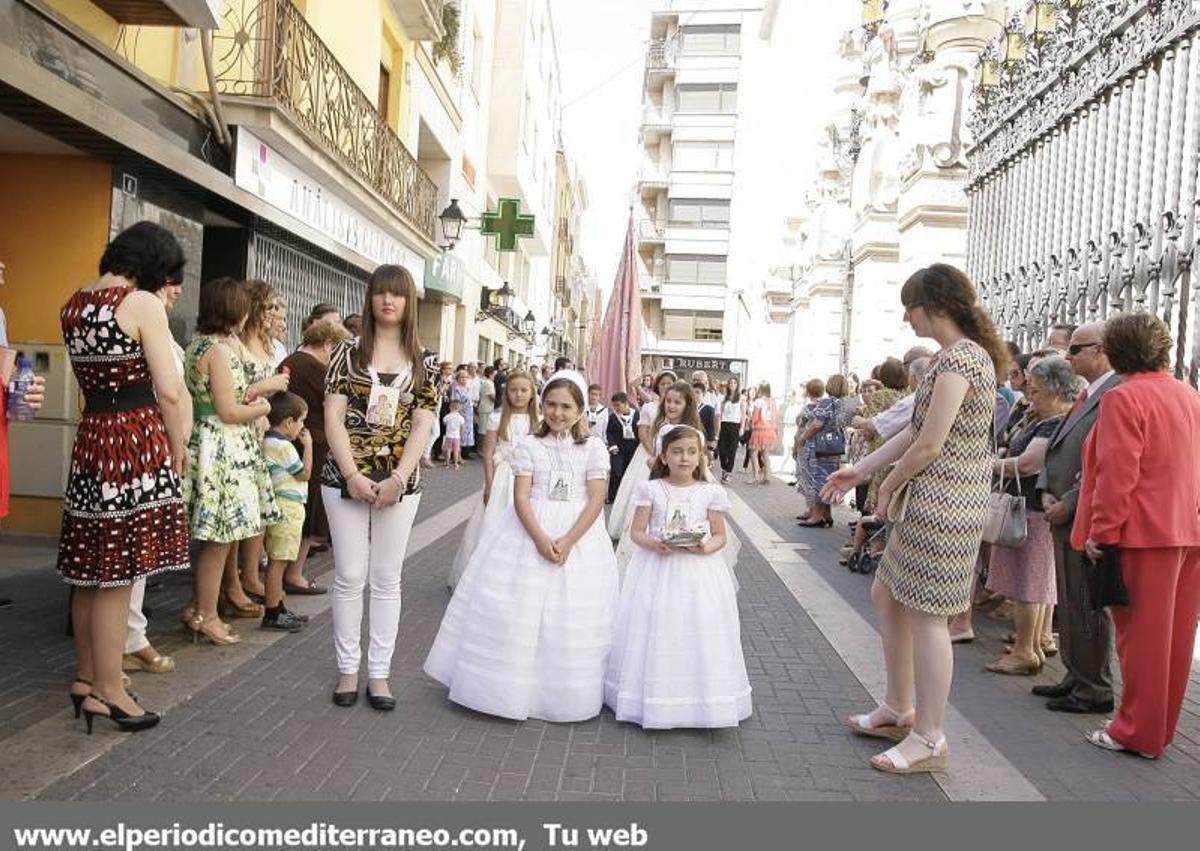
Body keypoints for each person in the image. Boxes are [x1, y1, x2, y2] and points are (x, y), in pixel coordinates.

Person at [824, 263, 1006, 774]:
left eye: (911, 305)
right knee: (888, 594)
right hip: (937, 503)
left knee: (928, 618)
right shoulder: (958, 358)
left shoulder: (961, 361)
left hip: (944, 506)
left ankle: (929, 737)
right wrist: (861, 471)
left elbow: (928, 443)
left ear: (936, 305)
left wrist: (890, 484)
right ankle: (900, 708)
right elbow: (916, 434)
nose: (906, 315)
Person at [58, 221, 192, 733]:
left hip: (94, 435)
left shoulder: (74, 303)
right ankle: (111, 689)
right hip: (134, 439)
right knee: (119, 571)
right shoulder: (140, 304)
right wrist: (177, 449)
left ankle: (87, 679)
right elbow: (171, 390)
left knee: (92, 568)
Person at [424, 371, 619, 721]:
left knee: (568, 609)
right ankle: (507, 689)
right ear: (541, 406)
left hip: (579, 534)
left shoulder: (593, 448)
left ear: (580, 411)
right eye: (551, 405)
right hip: (529, 530)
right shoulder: (528, 444)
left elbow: (596, 500)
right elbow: (520, 496)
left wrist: (569, 540)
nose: (558, 413)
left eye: (567, 406)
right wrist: (542, 539)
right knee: (521, 607)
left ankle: (561, 693)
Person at [1073, 313, 1200, 758]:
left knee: (1140, 641)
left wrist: (1100, 534)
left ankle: (1136, 732)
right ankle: (1157, 729)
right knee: (1174, 640)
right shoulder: (1188, 393)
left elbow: (1117, 476)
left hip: (1141, 534)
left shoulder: (1124, 399)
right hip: (1186, 530)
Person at [323, 265, 438, 711]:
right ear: (370, 299)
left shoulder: (425, 360)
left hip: (398, 484)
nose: (388, 301)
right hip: (343, 478)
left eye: (398, 294)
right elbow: (332, 416)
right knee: (350, 575)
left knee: (387, 578)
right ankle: (348, 669)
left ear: (409, 302)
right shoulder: (346, 353)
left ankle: (380, 674)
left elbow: (424, 423)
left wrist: (397, 477)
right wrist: (352, 474)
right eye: (380, 293)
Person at [604, 425, 751, 728]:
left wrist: (705, 547)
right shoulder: (651, 489)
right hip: (658, 568)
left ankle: (700, 699)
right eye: (677, 451)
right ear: (664, 455)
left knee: (697, 625)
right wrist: (655, 544)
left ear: (701, 457)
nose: (684, 458)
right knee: (658, 624)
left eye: (691, 452)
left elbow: (720, 535)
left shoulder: (710, 492)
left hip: (699, 571)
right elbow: (636, 532)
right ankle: (653, 695)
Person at [182, 278, 279, 646]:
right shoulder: (219, 350)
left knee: (213, 538)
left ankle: (198, 606)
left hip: (208, 442)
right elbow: (227, 409)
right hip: (224, 447)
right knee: (218, 539)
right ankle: (206, 613)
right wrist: (262, 406)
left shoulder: (197, 345)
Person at [1033, 322, 1120, 713]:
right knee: (1069, 600)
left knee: (1085, 602)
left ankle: (1094, 688)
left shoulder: (1115, 393)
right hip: (1064, 509)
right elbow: (1062, 446)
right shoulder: (1091, 394)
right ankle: (1075, 675)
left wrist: (1068, 500)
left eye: (1075, 350)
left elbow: (1105, 462)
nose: (1067, 358)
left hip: (1082, 512)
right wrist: (1047, 489)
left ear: (1100, 351)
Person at [984, 355, 1076, 675]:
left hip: (1031, 509)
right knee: (1034, 584)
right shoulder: (1045, 418)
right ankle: (1032, 645)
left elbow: (1027, 464)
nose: (1030, 393)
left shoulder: (1052, 422)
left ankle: (1024, 651)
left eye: (1035, 389)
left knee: (1029, 585)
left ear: (1054, 389)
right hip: (1032, 508)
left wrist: (988, 465)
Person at [122, 268, 187, 676]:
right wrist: (178, 446)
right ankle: (123, 643)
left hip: (154, 450)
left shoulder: (161, 328)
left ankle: (131, 637)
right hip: (143, 450)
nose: (175, 292)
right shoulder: (140, 319)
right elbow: (168, 392)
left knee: (137, 559)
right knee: (126, 557)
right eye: (170, 285)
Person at [229, 280, 290, 613]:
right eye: (269, 307)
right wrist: (269, 385)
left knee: (258, 511)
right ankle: (234, 583)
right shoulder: (236, 343)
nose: (275, 313)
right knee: (239, 513)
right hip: (240, 426)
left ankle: (251, 575)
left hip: (260, 427)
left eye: (276, 307)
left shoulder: (267, 342)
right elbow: (235, 389)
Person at [277, 318, 350, 594]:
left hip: (295, 440)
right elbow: (335, 403)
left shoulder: (292, 360)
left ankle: (286, 573)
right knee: (307, 510)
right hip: (312, 443)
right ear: (328, 344)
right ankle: (293, 574)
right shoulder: (314, 368)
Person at [447, 370, 539, 590]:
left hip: (528, 478)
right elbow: (488, 453)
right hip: (503, 477)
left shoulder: (539, 419)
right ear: (506, 393)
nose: (518, 395)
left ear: (532, 393)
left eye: (524, 390)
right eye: (514, 390)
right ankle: (484, 577)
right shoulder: (498, 418)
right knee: (494, 523)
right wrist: (488, 484)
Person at [614, 382, 706, 569]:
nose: (671, 406)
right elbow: (657, 460)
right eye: (668, 401)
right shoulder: (662, 429)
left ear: (687, 405)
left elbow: (699, 464)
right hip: (661, 484)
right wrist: (654, 463)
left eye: (677, 402)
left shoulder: (695, 433)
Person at [261, 391, 313, 632]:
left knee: (278, 560)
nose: (302, 427)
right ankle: (272, 611)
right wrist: (309, 447)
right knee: (278, 562)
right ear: (289, 422)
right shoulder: (283, 447)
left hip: (280, 505)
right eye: (301, 421)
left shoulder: (269, 441)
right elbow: (304, 474)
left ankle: (279, 607)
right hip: (288, 507)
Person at [607, 369, 677, 538]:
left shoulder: (678, 407)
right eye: (662, 383)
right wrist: (655, 453)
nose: (666, 386)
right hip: (648, 453)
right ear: (656, 386)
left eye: (669, 384)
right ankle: (632, 529)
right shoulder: (649, 406)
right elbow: (643, 432)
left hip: (672, 454)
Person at [796, 374, 849, 527]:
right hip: (834, 447)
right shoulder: (845, 404)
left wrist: (803, 437)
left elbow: (817, 424)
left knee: (817, 478)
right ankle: (827, 514)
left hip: (819, 447)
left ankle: (817, 516)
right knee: (828, 479)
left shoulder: (826, 403)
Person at [606, 392, 640, 503]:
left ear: (626, 403)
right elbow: (609, 433)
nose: (615, 408)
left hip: (633, 449)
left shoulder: (637, 415)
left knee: (630, 473)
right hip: (618, 450)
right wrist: (612, 445)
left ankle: (627, 498)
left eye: (617, 405)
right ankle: (612, 497)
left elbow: (641, 431)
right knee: (616, 472)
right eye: (614, 405)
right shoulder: (613, 417)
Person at [747, 382, 777, 484]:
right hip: (770, 430)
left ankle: (756, 475)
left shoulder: (758, 401)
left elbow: (755, 417)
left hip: (759, 429)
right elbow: (774, 417)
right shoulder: (772, 401)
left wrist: (751, 423)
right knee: (766, 454)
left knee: (753, 452)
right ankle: (767, 476)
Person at [716, 377, 743, 483]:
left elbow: (743, 414)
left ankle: (728, 473)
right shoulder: (724, 398)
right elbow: (720, 414)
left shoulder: (741, 398)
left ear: (737, 385)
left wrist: (742, 427)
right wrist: (718, 429)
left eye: (734, 382)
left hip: (735, 425)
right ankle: (724, 468)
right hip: (724, 425)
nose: (732, 384)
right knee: (722, 450)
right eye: (730, 382)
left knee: (732, 450)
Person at [694, 380, 718, 457]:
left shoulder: (708, 409)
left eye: (697, 392)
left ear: (703, 394)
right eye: (693, 392)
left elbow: (710, 427)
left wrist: (711, 442)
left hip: (702, 439)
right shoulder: (686, 408)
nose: (695, 394)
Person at [476, 365, 497, 447]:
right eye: (494, 374)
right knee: (482, 430)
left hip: (489, 408)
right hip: (485, 408)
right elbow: (491, 396)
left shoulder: (491, 383)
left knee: (486, 429)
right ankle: (480, 448)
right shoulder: (488, 383)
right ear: (490, 374)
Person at [442, 399, 466, 469]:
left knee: (448, 450)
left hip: (448, 435)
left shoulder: (447, 416)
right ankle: (456, 464)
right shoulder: (460, 417)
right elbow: (462, 427)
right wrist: (461, 434)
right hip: (457, 436)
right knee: (456, 451)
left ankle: (447, 463)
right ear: (459, 408)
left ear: (450, 407)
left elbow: (444, 423)